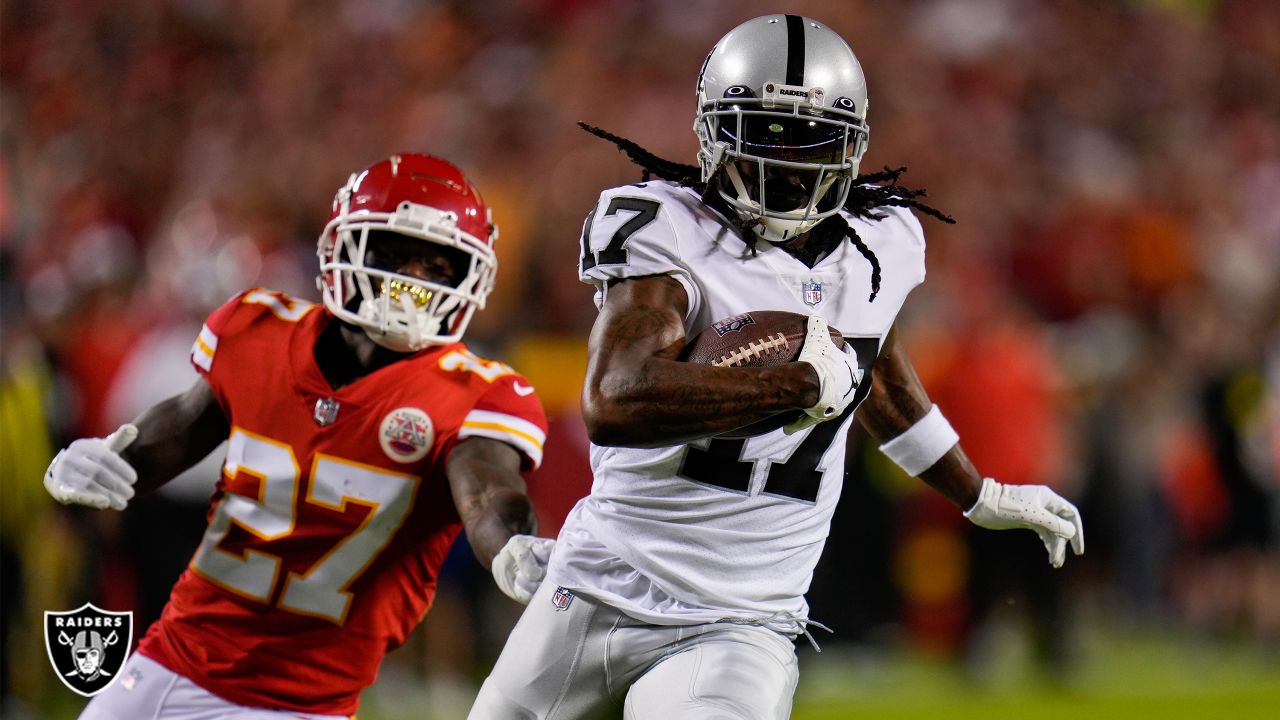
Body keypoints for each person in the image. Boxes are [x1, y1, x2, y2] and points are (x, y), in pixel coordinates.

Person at [468, 15, 1084, 720]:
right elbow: (614, 400)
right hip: (600, 582)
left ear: (852, 146)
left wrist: (979, 493)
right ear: (710, 134)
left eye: (810, 138)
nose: (785, 162)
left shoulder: (880, 242)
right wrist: (789, 387)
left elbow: (872, 371)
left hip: (739, 620)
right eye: (762, 133)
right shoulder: (667, 228)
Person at [43, 153, 553, 719]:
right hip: (173, 663)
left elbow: (486, 492)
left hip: (306, 705)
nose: (414, 282)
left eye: (439, 266)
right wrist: (114, 456)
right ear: (343, 247)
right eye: (397, 255)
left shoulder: (476, 393)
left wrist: (511, 544)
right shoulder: (256, 329)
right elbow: (186, 428)